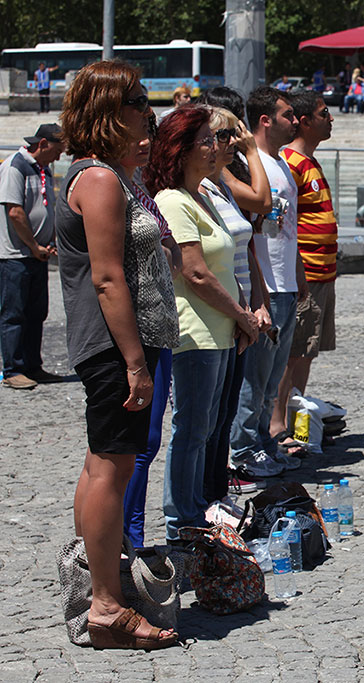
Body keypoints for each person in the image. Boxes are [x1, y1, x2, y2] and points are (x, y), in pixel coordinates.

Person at [57, 60, 179, 649]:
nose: (146, 112)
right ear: (111, 111)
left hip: (122, 343)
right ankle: (106, 606)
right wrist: (134, 361)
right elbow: (108, 278)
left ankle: (94, 579)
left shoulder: (111, 173)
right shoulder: (99, 180)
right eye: (137, 102)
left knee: (102, 463)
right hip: (112, 347)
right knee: (112, 467)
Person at [147, 106, 257, 543]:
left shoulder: (204, 196)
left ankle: (196, 509)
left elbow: (227, 263)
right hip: (196, 330)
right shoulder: (172, 200)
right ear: (182, 149)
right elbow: (194, 272)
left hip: (221, 328)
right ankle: (182, 520)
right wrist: (242, 315)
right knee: (191, 429)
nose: (217, 147)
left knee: (208, 427)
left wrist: (242, 313)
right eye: (207, 141)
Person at [198, 106, 270, 508]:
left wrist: (256, 304)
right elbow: (263, 201)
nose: (229, 144)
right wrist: (253, 153)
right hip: (219, 315)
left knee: (223, 415)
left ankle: (217, 494)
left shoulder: (222, 185)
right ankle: (199, 504)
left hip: (241, 311)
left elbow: (248, 247)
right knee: (204, 421)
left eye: (232, 136)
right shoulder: (201, 188)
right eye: (222, 136)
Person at [231, 86, 305, 477]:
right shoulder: (251, 164)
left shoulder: (282, 164)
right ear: (265, 120)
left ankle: (262, 441)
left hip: (285, 284)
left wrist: (299, 276)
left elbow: (288, 229)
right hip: (264, 286)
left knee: (273, 377)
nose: (296, 121)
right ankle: (242, 449)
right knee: (255, 378)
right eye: (288, 115)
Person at [121, 116, 185, 548]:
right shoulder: (109, 184)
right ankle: (127, 540)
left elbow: (171, 252)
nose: (146, 141)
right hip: (137, 333)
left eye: (151, 132)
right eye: (137, 131)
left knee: (149, 441)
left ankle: (134, 538)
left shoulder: (138, 186)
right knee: (135, 447)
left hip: (159, 326)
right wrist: (133, 360)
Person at [274, 91, 339, 439]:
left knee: (306, 352)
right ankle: (280, 423)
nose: (331, 118)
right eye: (324, 112)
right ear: (304, 121)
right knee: (293, 353)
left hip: (323, 272)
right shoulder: (290, 162)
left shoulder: (309, 161)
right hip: (306, 273)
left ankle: (298, 420)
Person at [0, 123, 65, 390]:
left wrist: (48, 242)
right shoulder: (15, 166)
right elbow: (15, 211)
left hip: (37, 253)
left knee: (36, 312)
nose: (59, 157)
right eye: (58, 151)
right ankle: (13, 368)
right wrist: (32, 245)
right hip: (15, 254)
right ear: (43, 144)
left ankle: (32, 365)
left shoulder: (43, 169)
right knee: (14, 313)